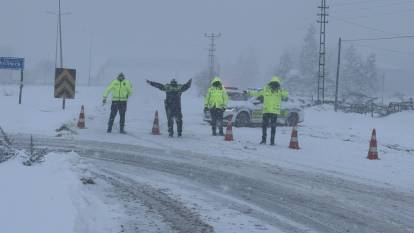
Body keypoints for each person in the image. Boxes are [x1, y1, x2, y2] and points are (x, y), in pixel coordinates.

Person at [247, 76, 288, 145]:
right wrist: (248, 92)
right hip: (266, 111)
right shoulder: (265, 89)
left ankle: (272, 141)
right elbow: (257, 93)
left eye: (276, 84)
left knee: (273, 127)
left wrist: (280, 89)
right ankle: (264, 140)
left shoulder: (280, 91)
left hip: (274, 112)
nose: (274, 86)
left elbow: (286, 94)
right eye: (273, 84)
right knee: (264, 126)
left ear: (278, 85)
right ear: (270, 84)